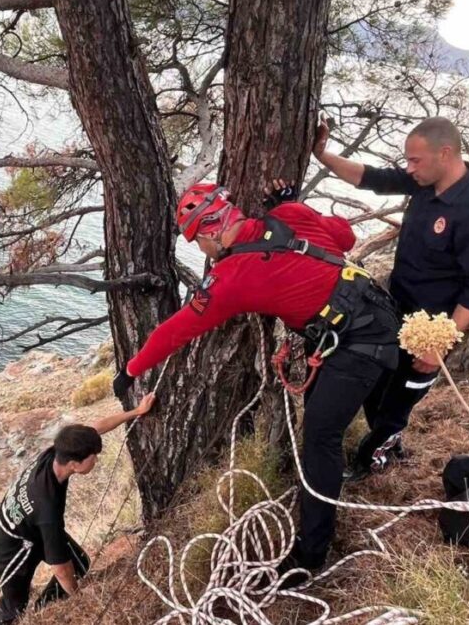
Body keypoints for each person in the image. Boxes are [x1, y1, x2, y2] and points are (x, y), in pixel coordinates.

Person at [111, 180, 401, 575]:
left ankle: (311, 554)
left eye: (199, 243)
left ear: (211, 229)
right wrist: (297, 207)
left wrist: (130, 371)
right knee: (321, 421)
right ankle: (363, 458)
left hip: (361, 342)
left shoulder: (231, 278)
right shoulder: (288, 215)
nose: (204, 253)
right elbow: (345, 237)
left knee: (320, 437)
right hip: (374, 313)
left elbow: (174, 331)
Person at [312, 116, 469, 481]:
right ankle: (390, 445)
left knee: (396, 405)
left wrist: (439, 344)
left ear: (444, 154)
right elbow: (371, 178)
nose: (408, 168)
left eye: (415, 160)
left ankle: (370, 463)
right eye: (408, 160)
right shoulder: (423, 182)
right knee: (374, 387)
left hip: (431, 329)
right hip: (393, 310)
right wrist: (323, 155)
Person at [0, 393, 155, 624]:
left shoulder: (56, 453)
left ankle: (44, 608)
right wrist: (78, 597)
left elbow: (95, 429)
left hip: (29, 525)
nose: (96, 460)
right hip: (12, 548)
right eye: (93, 457)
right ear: (75, 465)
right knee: (14, 607)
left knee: (79, 562)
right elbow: (61, 570)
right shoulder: (48, 509)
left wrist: (135, 411)